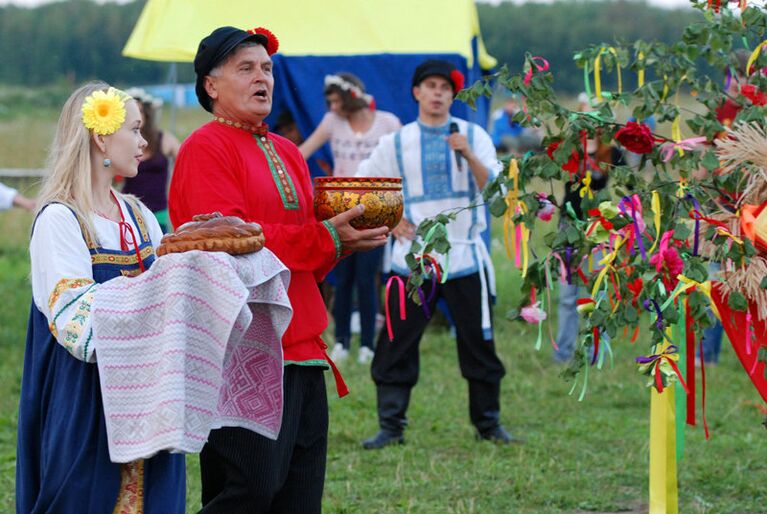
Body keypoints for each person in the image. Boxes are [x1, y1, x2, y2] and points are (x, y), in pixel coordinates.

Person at [169, 26, 389, 513]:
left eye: (266, 68)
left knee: (298, 497)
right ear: (211, 84)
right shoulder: (205, 148)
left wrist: (345, 241)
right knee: (247, 490)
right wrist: (326, 237)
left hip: (304, 346)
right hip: (242, 344)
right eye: (245, 68)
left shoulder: (289, 151)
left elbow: (307, 250)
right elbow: (232, 243)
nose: (261, 77)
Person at [16, 83, 185, 512]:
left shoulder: (139, 215)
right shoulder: (60, 219)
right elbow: (76, 323)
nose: (145, 141)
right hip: (86, 400)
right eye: (135, 129)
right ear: (101, 137)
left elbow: (172, 290)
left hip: (149, 399)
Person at [356, 59, 516, 448]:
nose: (438, 93)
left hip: (463, 259)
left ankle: (488, 425)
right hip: (411, 261)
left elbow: (497, 195)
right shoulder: (396, 142)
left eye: (445, 87)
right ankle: (391, 427)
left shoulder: (474, 135)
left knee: (478, 342)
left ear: (453, 94)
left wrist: (469, 156)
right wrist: (390, 219)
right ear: (417, 92)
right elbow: (361, 184)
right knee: (397, 341)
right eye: (430, 85)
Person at [299, 72, 401, 364]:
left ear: (351, 98)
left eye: (336, 101)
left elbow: (403, 158)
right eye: (329, 102)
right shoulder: (333, 122)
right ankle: (342, 340)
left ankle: (368, 344)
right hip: (340, 211)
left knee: (368, 279)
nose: (331, 108)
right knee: (342, 279)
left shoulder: (387, 122)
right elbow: (301, 152)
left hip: (376, 210)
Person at [553, 135, 624, 363]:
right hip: (569, 227)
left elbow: (630, 183)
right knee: (567, 295)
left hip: (599, 227)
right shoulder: (570, 150)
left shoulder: (611, 153)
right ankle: (564, 352)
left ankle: (597, 352)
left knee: (596, 291)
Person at [121, 87, 180, 232]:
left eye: (140, 111)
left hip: (158, 212)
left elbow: (188, 164)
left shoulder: (165, 140)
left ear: (147, 114)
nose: (136, 115)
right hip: (130, 212)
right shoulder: (122, 143)